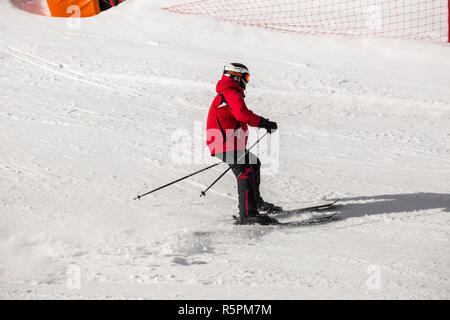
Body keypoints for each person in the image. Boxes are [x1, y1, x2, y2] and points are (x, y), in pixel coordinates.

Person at [206, 63, 281, 225]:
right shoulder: (230, 93)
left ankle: (255, 204)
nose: (247, 82)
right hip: (224, 143)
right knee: (245, 171)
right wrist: (264, 123)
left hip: (229, 143)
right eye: (245, 77)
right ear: (236, 76)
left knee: (253, 163)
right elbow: (242, 114)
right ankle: (248, 214)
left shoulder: (228, 93)